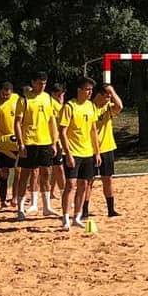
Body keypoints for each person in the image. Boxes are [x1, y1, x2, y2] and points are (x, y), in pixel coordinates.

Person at [14, 71, 59, 221]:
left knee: (46, 174)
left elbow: (52, 121)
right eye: (40, 83)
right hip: (29, 142)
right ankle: (20, 208)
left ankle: (46, 207)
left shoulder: (48, 98)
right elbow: (17, 123)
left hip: (45, 142)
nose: (42, 86)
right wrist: (21, 143)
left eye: (44, 83)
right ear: (33, 82)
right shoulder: (24, 99)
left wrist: (54, 142)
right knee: (25, 175)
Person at [58, 76, 101, 231]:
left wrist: (97, 152)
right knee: (70, 185)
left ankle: (77, 216)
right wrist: (68, 154)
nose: (90, 92)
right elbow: (62, 132)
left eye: (91, 90)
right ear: (79, 90)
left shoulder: (91, 106)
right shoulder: (69, 106)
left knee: (84, 185)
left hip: (88, 152)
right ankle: (65, 218)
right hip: (73, 152)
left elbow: (93, 130)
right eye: (87, 89)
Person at [89, 82, 124, 218]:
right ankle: (84, 210)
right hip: (90, 149)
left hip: (107, 148)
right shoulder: (89, 107)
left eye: (110, 97)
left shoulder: (108, 108)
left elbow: (119, 106)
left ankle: (111, 210)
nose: (109, 99)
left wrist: (112, 90)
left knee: (107, 179)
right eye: (107, 96)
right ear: (99, 95)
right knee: (88, 181)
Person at [49, 83, 67, 199]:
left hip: (58, 139)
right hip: (52, 139)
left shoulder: (55, 103)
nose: (61, 96)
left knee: (57, 167)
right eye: (60, 94)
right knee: (58, 168)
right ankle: (64, 194)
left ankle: (51, 191)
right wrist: (61, 103)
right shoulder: (53, 104)